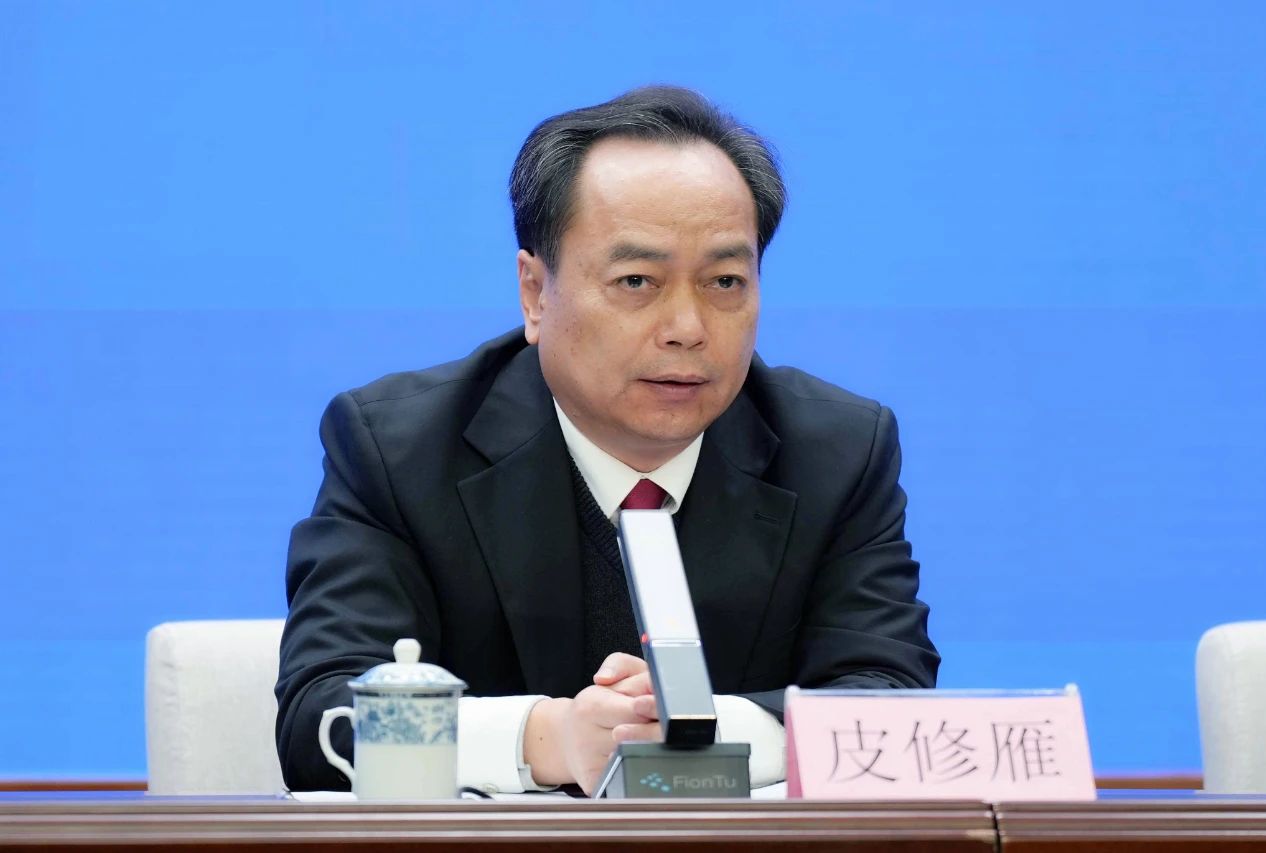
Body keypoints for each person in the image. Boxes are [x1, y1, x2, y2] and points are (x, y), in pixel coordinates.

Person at [276, 85, 939, 795]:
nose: (687, 327)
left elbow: (888, 704)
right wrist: (548, 738)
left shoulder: (837, 452)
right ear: (535, 292)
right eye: (637, 281)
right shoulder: (399, 449)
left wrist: (707, 733)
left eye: (724, 281)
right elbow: (322, 720)